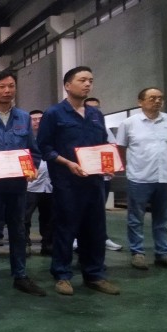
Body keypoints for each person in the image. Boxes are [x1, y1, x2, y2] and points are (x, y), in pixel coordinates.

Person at [37, 67, 120, 296]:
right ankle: (62, 275)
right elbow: (44, 147)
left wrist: (108, 164)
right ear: (67, 85)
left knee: (95, 229)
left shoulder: (96, 115)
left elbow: (102, 144)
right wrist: (67, 163)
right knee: (66, 228)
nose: (87, 84)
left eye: (90, 80)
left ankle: (94, 274)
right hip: (67, 182)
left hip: (94, 181)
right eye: (82, 80)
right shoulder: (54, 113)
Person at [0, 72, 46, 297]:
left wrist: (33, 167)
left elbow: (33, 150)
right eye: (2, 87)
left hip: (17, 185)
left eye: (11, 86)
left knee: (18, 229)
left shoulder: (23, 117)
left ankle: (20, 276)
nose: (7, 90)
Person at [116, 87, 167, 271]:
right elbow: (120, 148)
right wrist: (127, 168)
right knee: (136, 218)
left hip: (166, 179)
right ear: (140, 102)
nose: (157, 101)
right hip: (139, 178)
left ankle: (163, 253)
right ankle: (137, 253)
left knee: (163, 219)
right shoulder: (129, 123)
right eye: (152, 98)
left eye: (160, 98)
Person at [83, 96, 123, 252]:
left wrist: (110, 168)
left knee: (99, 210)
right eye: (90, 107)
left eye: (96, 108)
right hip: (80, 176)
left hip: (101, 177)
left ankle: (102, 238)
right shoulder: (75, 128)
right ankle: (77, 238)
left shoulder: (103, 128)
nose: (93, 111)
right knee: (78, 210)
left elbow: (110, 148)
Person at [24, 110, 53, 256]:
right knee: (24, 217)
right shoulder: (25, 139)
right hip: (31, 185)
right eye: (34, 119)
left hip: (50, 185)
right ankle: (24, 244)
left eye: (40, 119)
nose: (37, 122)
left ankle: (48, 245)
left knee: (49, 218)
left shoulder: (52, 137)